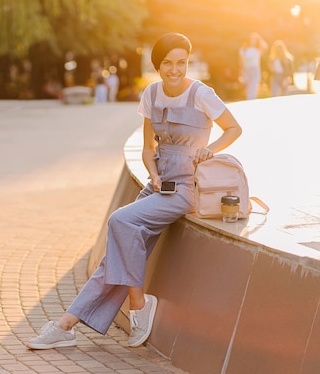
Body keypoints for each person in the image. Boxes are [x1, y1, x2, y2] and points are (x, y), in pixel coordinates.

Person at [26, 33, 242, 350]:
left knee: (119, 221)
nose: (175, 70)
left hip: (185, 189)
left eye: (181, 63)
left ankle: (139, 304)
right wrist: (153, 174)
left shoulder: (200, 94)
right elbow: (146, 148)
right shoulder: (151, 94)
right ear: (157, 65)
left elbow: (234, 128)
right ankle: (65, 326)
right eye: (168, 63)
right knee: (114, 259)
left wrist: (209, 150)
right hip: (159, 186)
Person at [239, 32, 268, 100]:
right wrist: (243, 68)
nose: (253, 41)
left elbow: (265, 46)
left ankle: (251, 99)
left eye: (255, 39)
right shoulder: (244, 49)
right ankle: (249, 99)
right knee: (247, 85)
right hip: (246, 68)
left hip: (255, 69)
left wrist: (259, 38)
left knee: (254, 85)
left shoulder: (257, 50)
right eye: (252, 39)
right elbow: (242, 60)